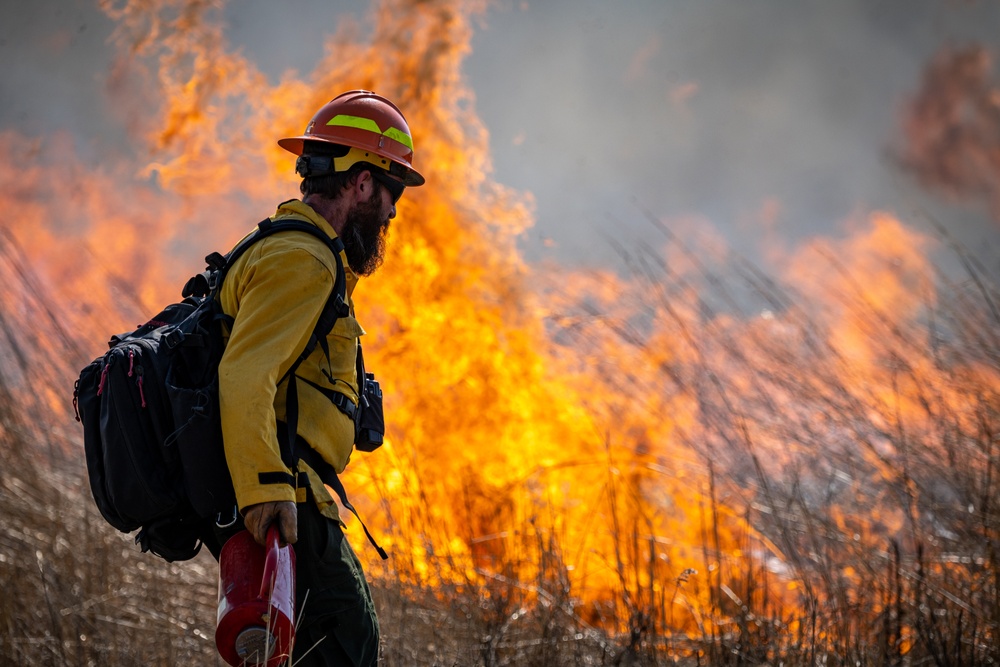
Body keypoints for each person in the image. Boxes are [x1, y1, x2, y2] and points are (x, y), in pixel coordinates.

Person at [212, 90, 424, 666]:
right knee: (344, 647)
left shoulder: (301, 253)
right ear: (361, 183)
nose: (392, 211)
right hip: (287, 498)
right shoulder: (302, 259)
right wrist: (263, 492)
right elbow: (246, 374)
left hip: (293, 496)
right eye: (390, 191)